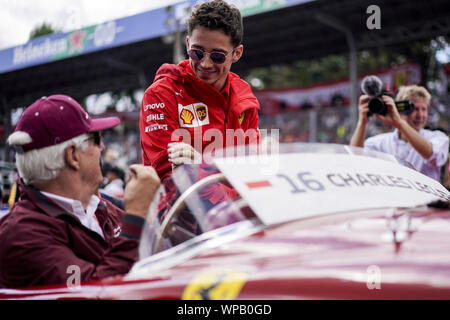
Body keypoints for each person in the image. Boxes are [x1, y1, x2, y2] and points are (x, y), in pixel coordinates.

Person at [0, 94, 160, 289]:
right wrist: (136, 219)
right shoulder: (22, 235)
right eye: (96, 139)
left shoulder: (97, 206)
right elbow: (91, 290)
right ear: (73, 155)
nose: (102, 147)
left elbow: (163, 248)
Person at [139, 0, 260, 181]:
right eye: (197, 52)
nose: (205, 64)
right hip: (181, 207)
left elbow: (253, 171)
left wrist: (202, 166)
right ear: (188, 44)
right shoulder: (161, 94)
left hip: (235, 206)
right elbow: (171, 177)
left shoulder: (244, 99)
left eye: (217, 56)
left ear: (237, 53)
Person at [350, 85, 449, 181]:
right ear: (399, 109)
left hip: (428, 198)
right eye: (414, 109)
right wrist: (362, 122)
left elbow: (431, 154)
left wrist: (399, 123)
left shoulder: (438, 137)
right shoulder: (379, 143)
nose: (420, 115)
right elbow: (355, 159)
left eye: (424, 109)